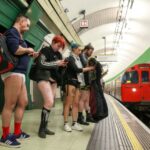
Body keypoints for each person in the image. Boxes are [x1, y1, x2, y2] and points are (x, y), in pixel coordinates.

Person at [0, 14, 38, 148]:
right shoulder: (12, 32)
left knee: (23, 102)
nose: (28, 27)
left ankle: (16, 132)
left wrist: (30, 53)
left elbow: (19, 50)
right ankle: (5, 137)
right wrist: (28, 49)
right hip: (13, 72)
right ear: (21, 21)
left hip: (20, 73)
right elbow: (15, 49)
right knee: (10, 104)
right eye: (27, 24)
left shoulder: (19, 35)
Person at [29, 35, 67, 138]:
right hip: (43, 77)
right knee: (49, 101)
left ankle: (44, 127)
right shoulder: (45, 50)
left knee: (49, 103)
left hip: (53, 81)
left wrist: (62, 66)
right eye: (58, 45)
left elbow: (58, 70)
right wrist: (56, 63)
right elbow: (41, 64)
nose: (58, 48)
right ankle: (41, 129)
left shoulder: (59, 54)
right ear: (53, 42)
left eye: (60, 47)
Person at [63, 43, 94, 132]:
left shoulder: (78, 59)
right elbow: (76, 70)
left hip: (77, 83)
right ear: (74, 49)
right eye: (78, 50)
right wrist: (89, 68)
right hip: (70, 82)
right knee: (68, 103)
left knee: (76, 103)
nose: (80, 51)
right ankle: (65, 123)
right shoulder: (70, 58)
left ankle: (74, 123)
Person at [77, 44, 95, 125]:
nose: (91, 53)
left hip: (86, 81)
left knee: (87, 100)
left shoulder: (85, 56)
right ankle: (80, 118)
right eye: (90, 51)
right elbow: (85, 65)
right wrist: (92, 65)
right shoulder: (82, 55)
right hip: (83, 81)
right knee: (82, 99)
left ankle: (88, 116)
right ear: (86, 49)